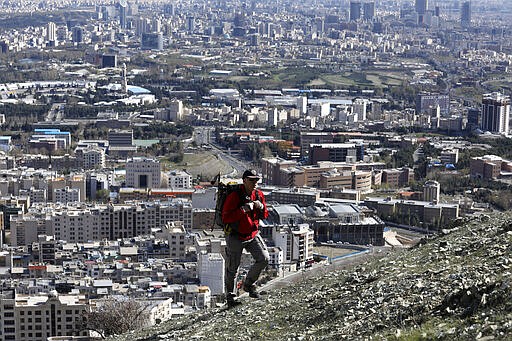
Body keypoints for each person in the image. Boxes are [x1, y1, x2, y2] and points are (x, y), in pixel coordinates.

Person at [222, 169, 269, 307]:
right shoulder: (235, 196)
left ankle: (249, 285)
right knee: (233, 268)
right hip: (236, 236)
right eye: (251, 180)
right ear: (244, 180)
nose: (255, 183)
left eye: (256, 180)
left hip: (252, 234)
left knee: (264, 258)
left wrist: (260, 207)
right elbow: (226, 217)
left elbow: (265, 216)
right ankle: (231, 296)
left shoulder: (259, 195)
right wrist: (243, 210)